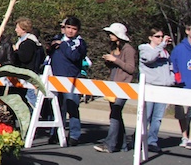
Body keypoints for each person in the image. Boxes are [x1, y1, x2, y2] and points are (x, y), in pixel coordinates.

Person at [94, 23, 136, 153]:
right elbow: (115, 68)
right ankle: (122, 144)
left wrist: (115, 60)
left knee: (114, 114)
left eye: (112, 33)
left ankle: (110, 144)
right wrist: (109, 61)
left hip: (123, 86)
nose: (110, 36)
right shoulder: (114, 48)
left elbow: (130, 68)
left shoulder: (128, 49)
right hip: (113, 85)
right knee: (116, 114)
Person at [47, 15, 87, 145]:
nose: (70, 31)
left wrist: (63, 45)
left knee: (72, 107)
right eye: (68, 27)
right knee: (57, 108)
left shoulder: (79, 43)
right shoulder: (58, 38)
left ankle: (74, 135)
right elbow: (50, 53)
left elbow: (74, 56)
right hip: (55, 78)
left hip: (71, 80)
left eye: (73, 29)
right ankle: (56, 133)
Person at [138, 26, 173, 152]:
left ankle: (152, 141)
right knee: (146, 116)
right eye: (157, 37)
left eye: (161, 37)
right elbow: (149, 58)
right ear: (150, 37)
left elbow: (169, 67)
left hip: (162, 88)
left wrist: (171, 80)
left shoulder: (163, 52)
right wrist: (161, 46)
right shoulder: (145, 49)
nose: (160, 39)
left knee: (157, 118)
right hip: (150, 87)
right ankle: (140, 139)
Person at [13, 17, 44, 106]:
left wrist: (15, 51)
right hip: (25, 75)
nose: (15, 30)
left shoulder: (28, 43)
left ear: (23, 29)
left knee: (30, 98)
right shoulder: (25, 41)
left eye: (17, 28)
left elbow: (24, 58)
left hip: (27, 76)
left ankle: (39, 114)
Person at [170, 24, 191, 149]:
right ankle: (185, 136)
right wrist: (178, 80)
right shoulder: (179, 49)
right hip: (183, 87)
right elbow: (173, 67)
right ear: (188, 31)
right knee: (182, 114)